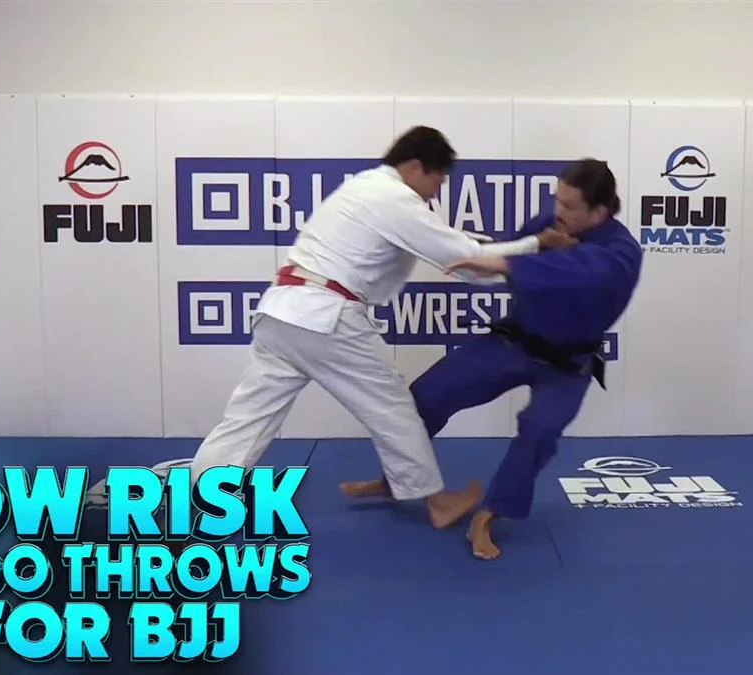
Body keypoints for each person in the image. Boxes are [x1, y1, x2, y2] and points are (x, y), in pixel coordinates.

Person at [187, 126, 578, 530]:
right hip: (325, 317)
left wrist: (507, 250)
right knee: (392, 406)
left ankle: (200, 497)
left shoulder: (364, 189)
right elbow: (468, 262)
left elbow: (458, 250)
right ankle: (437, 502)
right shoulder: (396, 199)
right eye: (438, 180)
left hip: (281, 312)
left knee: (247, 419)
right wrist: (538, 245)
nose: (436, 193)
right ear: (416, 167)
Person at [339, 158, 643, 558]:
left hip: (568, 365)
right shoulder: (551, 224)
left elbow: (578, 271)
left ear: (599, 212)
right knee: (426, 395)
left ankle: (488, 515)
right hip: (514, 341)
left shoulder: (621, 254)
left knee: (540, 429)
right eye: (557, 200)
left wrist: (506, 263)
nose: (557, 211)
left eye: (569, 206)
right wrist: (492, 254)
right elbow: (513, 249)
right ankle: (397, 479)